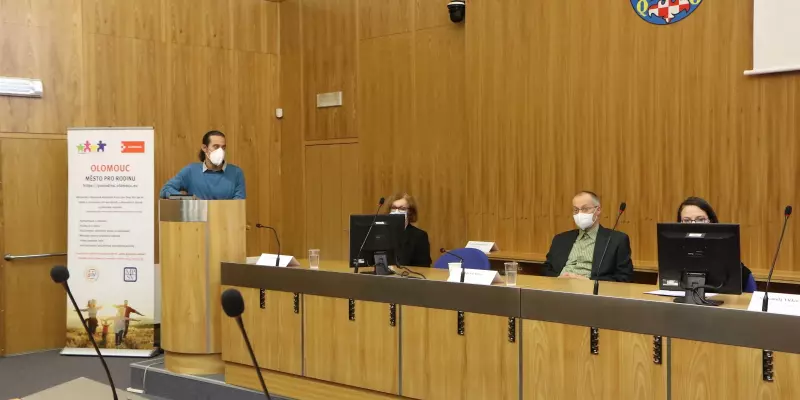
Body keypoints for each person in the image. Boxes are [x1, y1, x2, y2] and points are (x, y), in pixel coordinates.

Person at [542, 191, 634, 282]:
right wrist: (558, 279)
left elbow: (624, 277)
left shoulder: (617, 240)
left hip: (590, 290)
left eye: (585, 209)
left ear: (598, 210)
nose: (580, 214)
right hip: (559, 287)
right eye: (576, 210)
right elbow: (547, 268)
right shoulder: (560, 239)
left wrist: (590, 282)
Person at [676, 196, 756, 292]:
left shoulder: (736, 270)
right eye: (686, 221)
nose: (694, 225)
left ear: (712, 222)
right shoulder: (672, 262)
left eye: (700, 219)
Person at [159, 130, 246, 200]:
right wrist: (188, 199)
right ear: (205, 148)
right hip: (197, 216)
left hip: (225, 216)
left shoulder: (236, 173)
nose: (220, 151)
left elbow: (239, 204)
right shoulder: (191, 170)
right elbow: (165, 190)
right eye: (216, 147)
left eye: (223, 147)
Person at [385, 192, 432, 267]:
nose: (396, 212)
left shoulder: (419, 236)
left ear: (410, 212)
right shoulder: (380, 233)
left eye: (402, 209)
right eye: (393, 208)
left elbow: (423, 267)